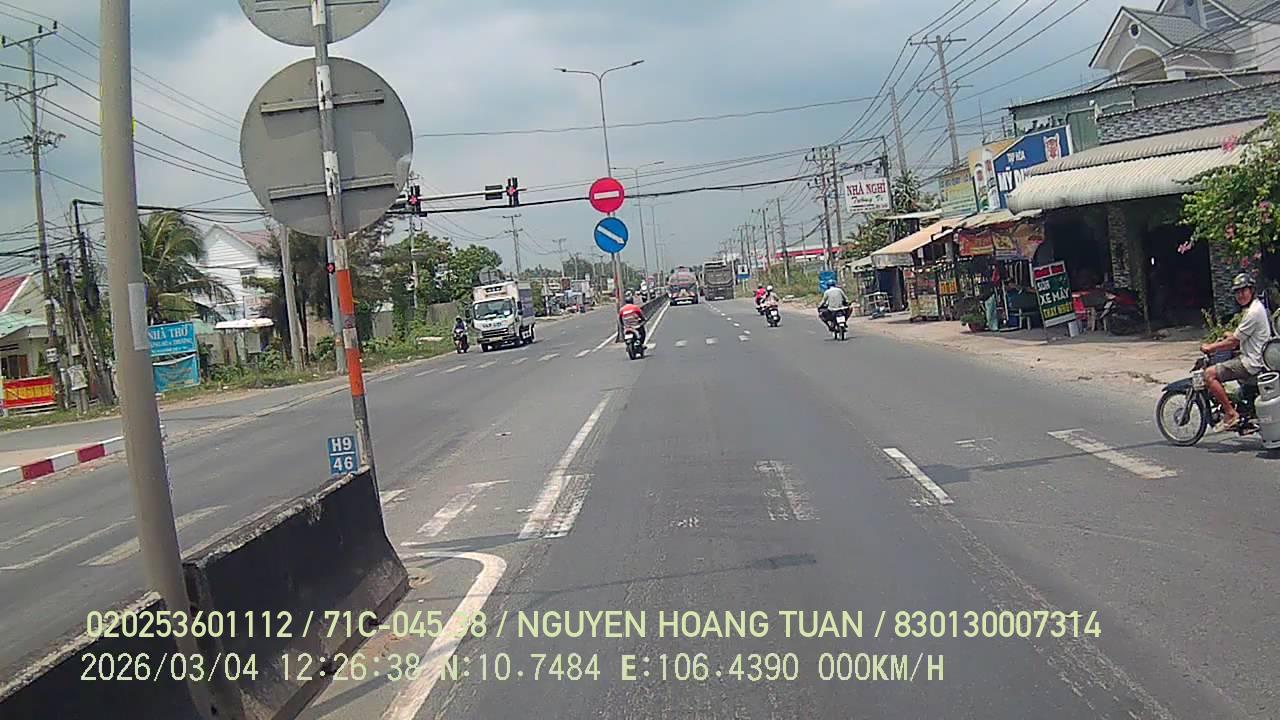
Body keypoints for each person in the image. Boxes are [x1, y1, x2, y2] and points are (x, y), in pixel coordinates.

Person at [1201, 273, 1273, 431]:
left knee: (1209, 374)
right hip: (1256, 357)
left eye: (1243, 291)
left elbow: (1233, 342)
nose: (1240, 295)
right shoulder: (1255, 308)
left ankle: (1230, 413)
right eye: (1237, 292)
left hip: (1251, 362)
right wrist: (1231, 335)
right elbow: (1240, 336)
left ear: (1251, 290)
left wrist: (1210, 347)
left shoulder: (1253, 312)